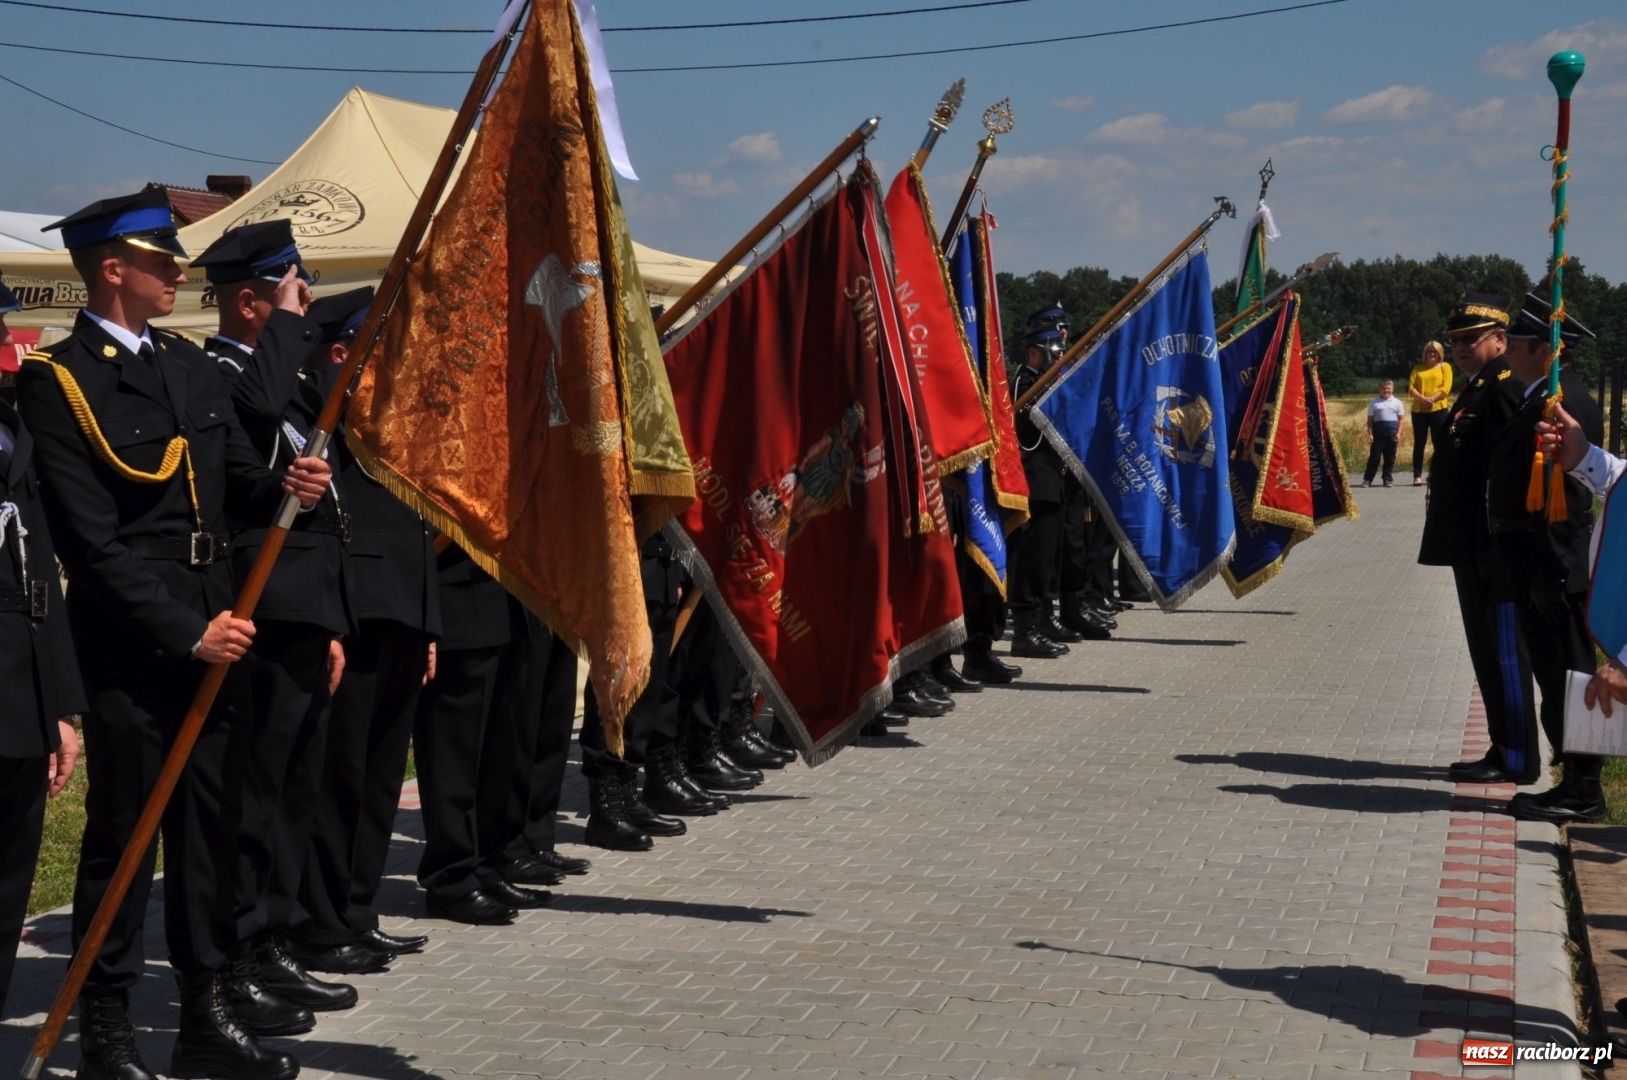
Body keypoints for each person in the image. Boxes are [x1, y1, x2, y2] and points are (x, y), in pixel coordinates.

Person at [17, 188, 329, 1080]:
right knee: (124, 835)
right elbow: (90, 541)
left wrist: (287, 490)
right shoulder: (60, 379)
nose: (178, 273)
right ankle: (108, 1025)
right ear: (113, 270)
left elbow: (235, 483)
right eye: (161, 262)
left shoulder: (190, 369)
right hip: (134, 641)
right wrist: (184, 630)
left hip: (221, 626)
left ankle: (205, 1011)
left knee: (211, 829)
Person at [194, 221, 360, 1032]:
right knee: (253, 797)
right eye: (292, 291)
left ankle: (275, 939)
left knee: (294, 789)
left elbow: (318, 508)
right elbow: (255, 417)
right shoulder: (219, 371)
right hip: (257, 614)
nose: (304, 305)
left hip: (303, 613)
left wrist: (332, 620)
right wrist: (290, 324)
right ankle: (240, 950)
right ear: (251, 299)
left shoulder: (283, 382)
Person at [289, 288, 442, 971]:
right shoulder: (325, 412)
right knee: (342, 778)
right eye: (381, 344)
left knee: (381, 777)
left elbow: (414, 530)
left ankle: (357, 909)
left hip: (404, 613)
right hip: (354, 618)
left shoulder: (392, 423)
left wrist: (429, 625)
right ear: (345, 352)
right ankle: (322, 924)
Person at [0, 272, 85, 1021]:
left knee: (9, 879)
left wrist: (60, 706)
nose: (7, 346)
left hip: (19, 699)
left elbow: (42, 584)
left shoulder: (12, 427)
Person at [1493, 295, 1606, 823]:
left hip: (1557, 566)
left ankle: (1583, 789)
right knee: (1554, 677)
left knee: (1572, 678)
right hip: (1537, 563)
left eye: (1515, 343)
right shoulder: (1534, 395)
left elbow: (1570, 498)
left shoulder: (1566, 403)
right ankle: (1572, 781)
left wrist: (1556, 570)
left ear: (1544, 350)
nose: (1507, 350)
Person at [1417, 293, 1536, 787]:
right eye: (1455, 340)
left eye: (1470, 339)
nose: (1460, 348)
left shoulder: (1503, 387)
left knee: (1503, 652)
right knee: (1486, 651)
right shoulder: (1476, 387)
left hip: (1490, 546)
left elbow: (1505, 472)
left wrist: (1496, 543)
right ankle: (1502, 745)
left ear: (1500, 340)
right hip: (1472, 544)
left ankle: (1516, 755)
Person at [413, 551, 550, 923]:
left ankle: (487, 866)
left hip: (505, 595)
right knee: (455, 756)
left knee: (498, 754)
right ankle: (451, 879)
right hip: (456, 592)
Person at [1006, 325, 1071, 660]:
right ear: (1035, 353)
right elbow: (1028, 427)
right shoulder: (1023, 382)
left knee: (1047, 559)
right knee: (1030, 559)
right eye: (1054, 353)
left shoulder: (1047, 383)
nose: (1060, 358)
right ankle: (1025, 630)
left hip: (1051, 480)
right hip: (1034, 479)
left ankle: (1043, 619)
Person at [1408, 341, 1452, 485]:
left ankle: (1438, 472)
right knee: (1419, 443)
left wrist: (1431, 399)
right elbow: (1411, 388)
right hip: (1419, 410)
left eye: (1435, 351)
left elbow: (1445, 388)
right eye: (1429, 351)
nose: (1432, 354)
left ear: (1440, 354)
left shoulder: (1445, 367)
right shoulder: (1417, 369)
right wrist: (1423, 399)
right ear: (1425, 354)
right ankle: (1417, 475)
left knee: (1438, 442)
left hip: (1439, 409)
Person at [1361, 380, 1405, 488]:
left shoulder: (1397, 403)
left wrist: (1398, 433)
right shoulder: (1374, 403)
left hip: (1391, 435)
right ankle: (1368, 479)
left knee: (1390, 458)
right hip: (1378, 435)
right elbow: (1370, 420)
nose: (1386, 390)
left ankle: (1387, 479)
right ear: (1380, 390)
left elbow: (1401, 419)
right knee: (1374, 458)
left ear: (1392, 389)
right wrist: (1370, 434)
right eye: (1384, 388)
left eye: (1388, 388)